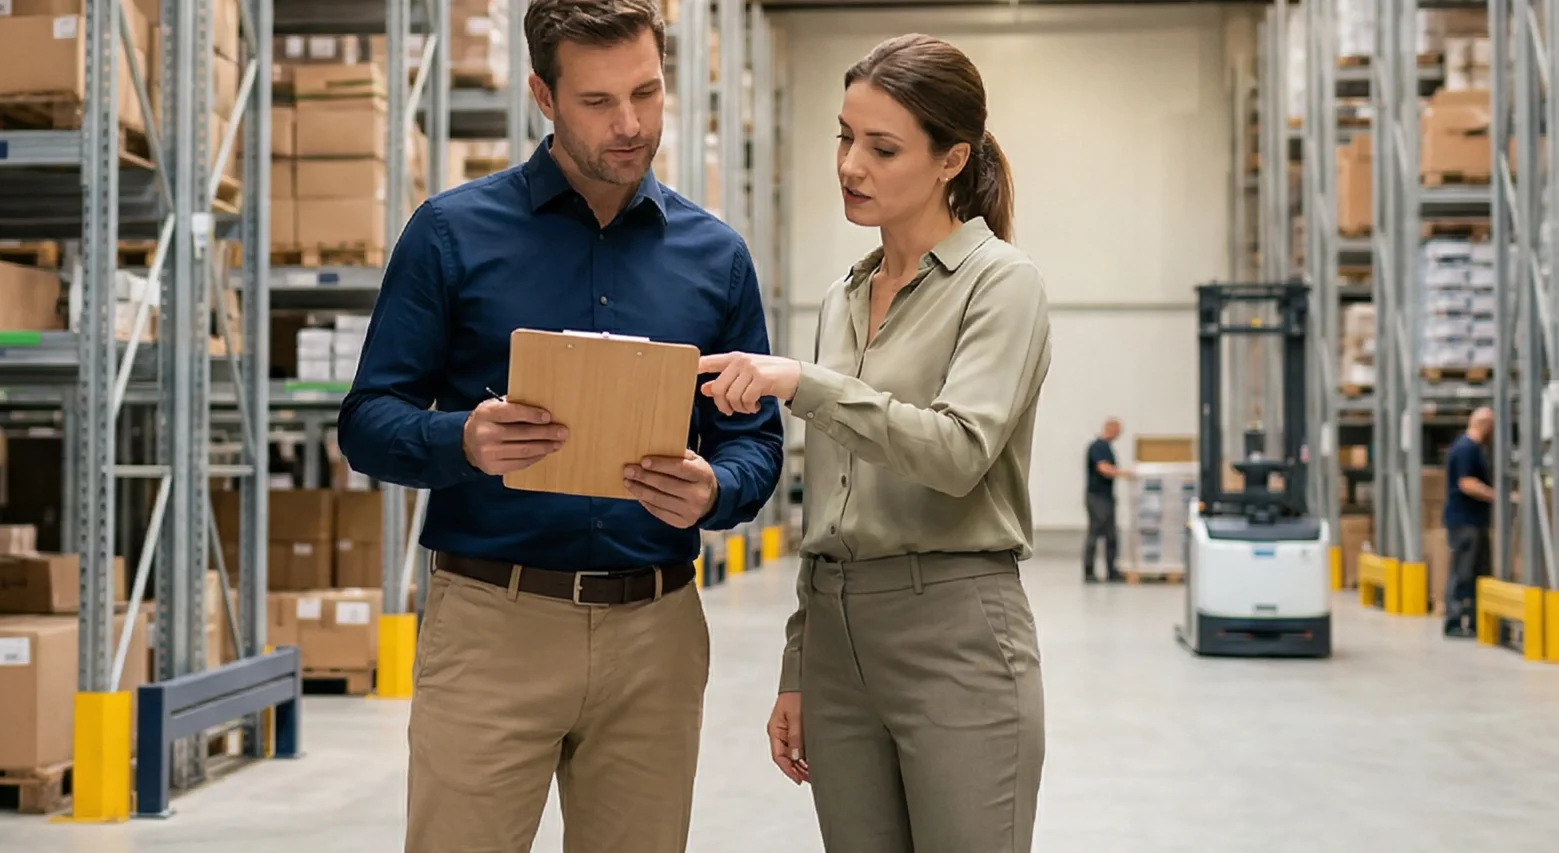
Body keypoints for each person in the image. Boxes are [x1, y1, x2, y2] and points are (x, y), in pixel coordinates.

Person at [336, 0, 784, 848]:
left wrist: (716, 490)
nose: (631, 125)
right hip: (493, 624)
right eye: (598, 102)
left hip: (656, 634)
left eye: (647, 94)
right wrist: (461, 439)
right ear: (543, 96)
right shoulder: (450, 234)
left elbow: (756, 439)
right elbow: (367, 420)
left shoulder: (716, 256)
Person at [694, 33, 1050, 853]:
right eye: (845, 138)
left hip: (956, 629)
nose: (851, 164)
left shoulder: (1002, 284)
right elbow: (832, 502)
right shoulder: (842, 298)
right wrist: (799, 663)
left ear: (951, 159)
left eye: (881, 147)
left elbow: (960, 452)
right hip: (837, 637)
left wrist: (803, 385)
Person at [1443, 407, 1497, 638]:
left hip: (1474, 520)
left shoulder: (1472, 448)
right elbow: (1467, 483)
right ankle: (1454, 621)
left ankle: (1475, 621)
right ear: (1485, 425)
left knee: (1478, 572)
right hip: (1464, 521)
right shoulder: (1466, 449)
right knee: (1463, 572)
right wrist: (1497, 496)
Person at [1084, 418, 1126, 583]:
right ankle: (1089, 571)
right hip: (1097, 497)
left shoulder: (1107, 447)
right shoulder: (1098, 447)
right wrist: (1125, 473)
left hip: (1107, 497)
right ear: (1111, 429)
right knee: (1095, 533)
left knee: (1111, 535)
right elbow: (1103, 469)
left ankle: (1111, 570)